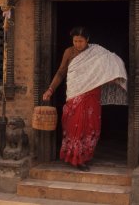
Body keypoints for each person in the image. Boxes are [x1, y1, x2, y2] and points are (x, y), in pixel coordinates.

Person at [42, 26, 127, 172]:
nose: (77, 44)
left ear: (87, 40)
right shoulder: (69, 52)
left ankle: (83, 158)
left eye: (80, 41)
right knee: (74, 125)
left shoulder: (97, 52)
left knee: (89, 126)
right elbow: (61, 72)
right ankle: (74, 157)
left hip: (92, 94)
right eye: (75, 41)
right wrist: (50, 89)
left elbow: (112, 62)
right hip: (75, 94)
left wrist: (113, 77)